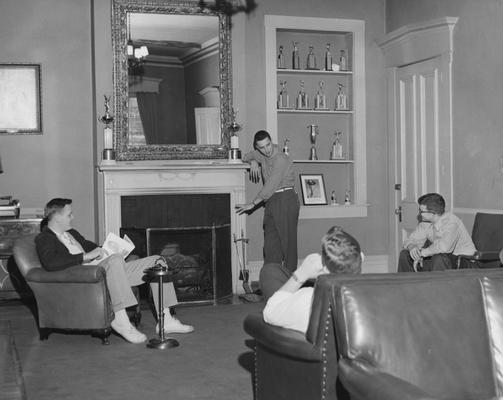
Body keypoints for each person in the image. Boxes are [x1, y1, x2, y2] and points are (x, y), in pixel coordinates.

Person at [35, 198, 194, 344]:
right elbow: (51, 263)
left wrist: (109, 249)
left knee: (157, 261)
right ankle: (121, 319)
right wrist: (85, 257)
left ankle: (166, 320)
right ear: (56, 217)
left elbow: (93, 247)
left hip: (110, 270)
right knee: (116, 260)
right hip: (89, 277)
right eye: (69, 214)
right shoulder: (44, 238)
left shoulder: (72, 234)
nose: (73, 217)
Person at [262, 226, 362, 334]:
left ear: (324, 267)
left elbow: (269, 312)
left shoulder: (308, 298)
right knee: (274, 271)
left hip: (301, 339)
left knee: (269, 272)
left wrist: (300, 274)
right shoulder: (369, 297)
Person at [235, 130, 300, 274]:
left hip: (285, 199)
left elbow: (270, 185)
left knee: (288, 247)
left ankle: (290, 285)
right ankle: (272, 282)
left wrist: (252, 204)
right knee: (270, 246)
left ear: (271, 141)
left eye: (268, 145)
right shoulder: (261, 154)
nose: (267, 149)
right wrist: (253, 162)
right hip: (271, 202)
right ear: (258, 147)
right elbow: (247, 156)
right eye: (262, 147)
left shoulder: (281, 158)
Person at [397, 193, 476, 272]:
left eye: (421, 211)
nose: (419, 214)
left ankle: (436, 284)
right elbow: (410, 240)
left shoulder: (452, 222)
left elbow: (444, 247)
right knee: (405, 255)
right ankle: (407, 283)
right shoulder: (425, 223)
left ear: (432, 213)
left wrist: (421, 253)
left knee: (439, 258)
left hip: (464, 261)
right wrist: (411, 247)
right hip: (442, 259)